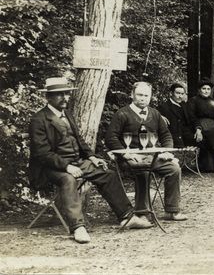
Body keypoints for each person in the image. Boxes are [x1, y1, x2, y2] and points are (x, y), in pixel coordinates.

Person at [29, 77, 152, 243]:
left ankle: (126, 217)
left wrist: (92, 157)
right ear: (48, 97)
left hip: (77, 162)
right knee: (69, 180)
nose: (65, 97)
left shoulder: (68, 114)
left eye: (66, 93)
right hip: (51, 168)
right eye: (59, 94)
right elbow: (41, 153)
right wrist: (67, 167)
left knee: (107, 173)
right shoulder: (39, 119)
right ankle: (77, 227)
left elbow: (79, 140)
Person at [105, 81, 188, 221]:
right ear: (132, 95)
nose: (143, 98)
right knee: (143, 170)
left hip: (153, 157)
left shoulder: (155, 114)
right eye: (139, 95)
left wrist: (167, 151)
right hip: (131, 158)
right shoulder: (122, 114)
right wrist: (126, 154)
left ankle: (172, 210)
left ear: (150, 97)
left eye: (146, 95)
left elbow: (166, 135)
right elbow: (111, 138)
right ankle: (143, 213)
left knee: (174, 168)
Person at [158, 83, 190, 148]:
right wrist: (160, 116)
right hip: (173, 138)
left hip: (186, 136)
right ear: (171, 93)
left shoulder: (185, 105)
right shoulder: (164, 107)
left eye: (182, 94)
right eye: (178, 93)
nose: (180, 96)